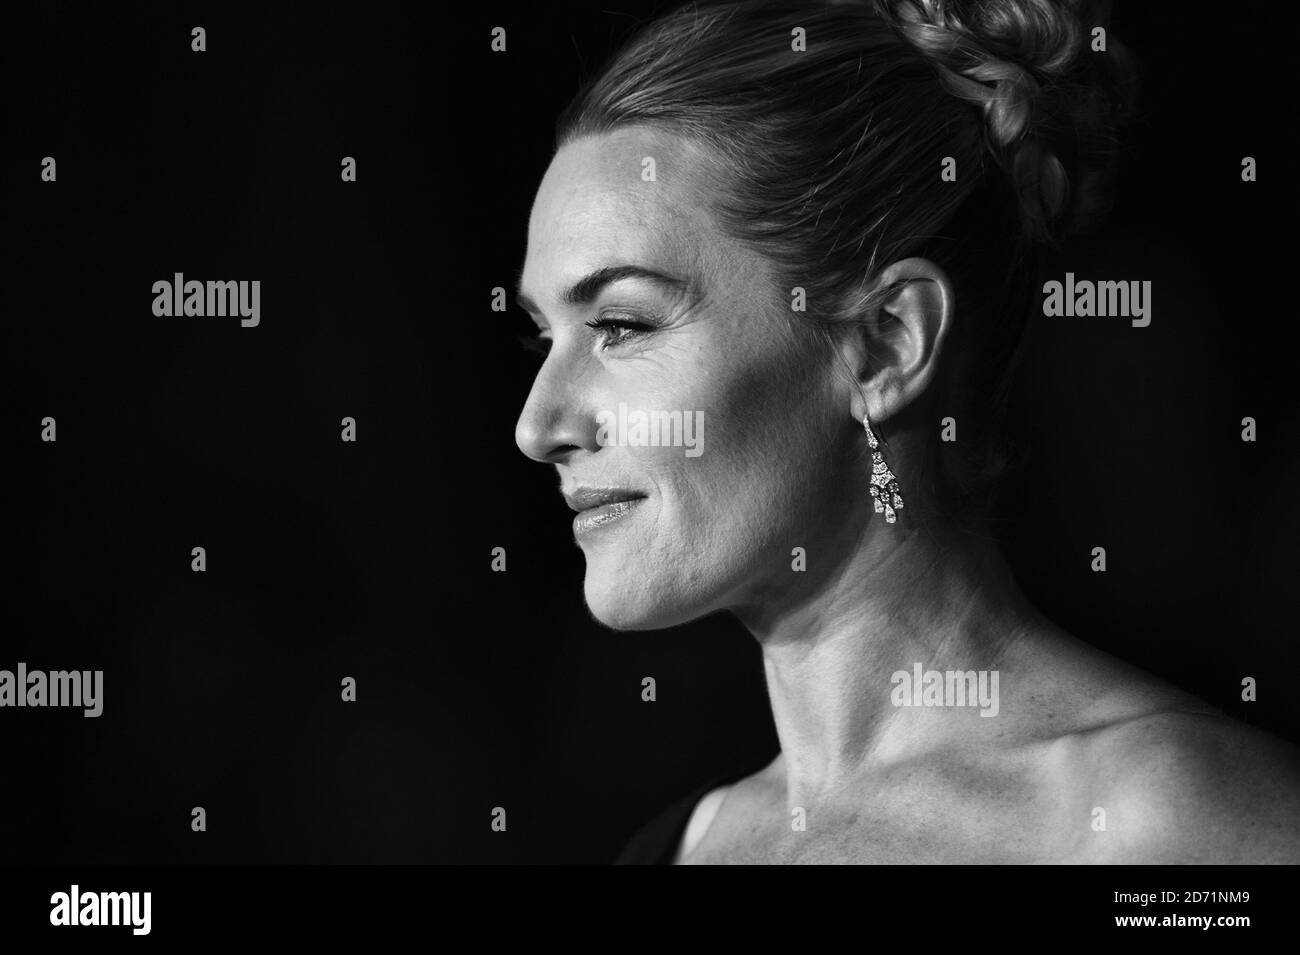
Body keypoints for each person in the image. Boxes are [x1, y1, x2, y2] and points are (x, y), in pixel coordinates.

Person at [512, 0, 1300, 863]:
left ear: (887, 342)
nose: (538, 425)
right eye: (545, 337)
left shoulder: (1170, 826)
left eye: (622, 324)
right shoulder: (672, 848)